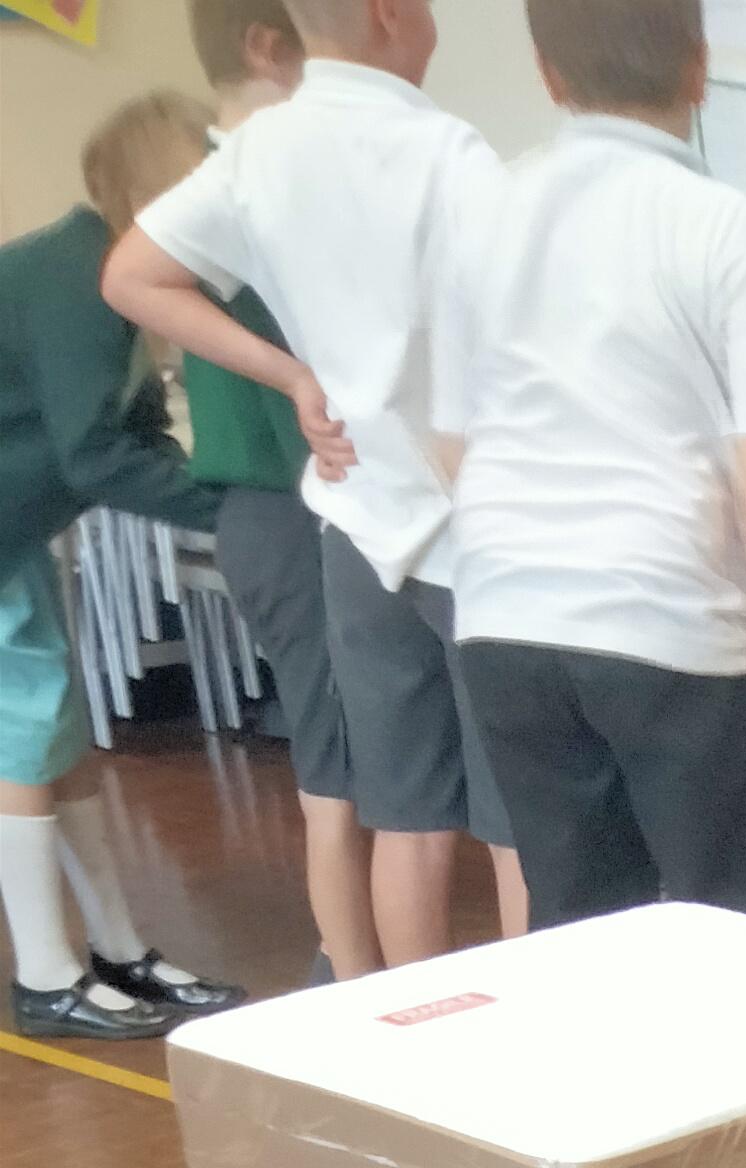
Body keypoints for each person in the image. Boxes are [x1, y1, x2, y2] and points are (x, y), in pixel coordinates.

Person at [106, 0, 526, 965]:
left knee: (405, 821)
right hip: (470, 526)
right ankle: (531, 1040)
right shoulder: (447, 151)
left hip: (355, 517)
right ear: (389, 14)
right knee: (516, 827)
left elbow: (131, 275)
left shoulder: (260, 151)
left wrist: (293, 375)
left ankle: (413, 1034)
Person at [440, 0, 746, 931]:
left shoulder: (481, 210)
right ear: (699, 68)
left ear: (548, 75)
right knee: (729, 927)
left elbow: (450, 437)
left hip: (504, 617)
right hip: (665, 614)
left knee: (579, 927)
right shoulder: (726, 225)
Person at [0, 95, 252, 1039]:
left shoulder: (104, 273)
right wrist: (234, 515)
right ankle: (46, 975)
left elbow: (135, 432)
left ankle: (114, 949)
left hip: (12, 532)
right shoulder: (75, 281)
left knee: (58, 736)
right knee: (26, 735)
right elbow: (94, 456)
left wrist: (218, 492)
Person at [182, 0, 377, 982]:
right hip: (289, 507)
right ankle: (348, 972)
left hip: (280, 510)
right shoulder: (247, 192)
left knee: (348, 760)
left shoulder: (223, 190)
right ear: (268, 49)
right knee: (337, 771)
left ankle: (355, 964)